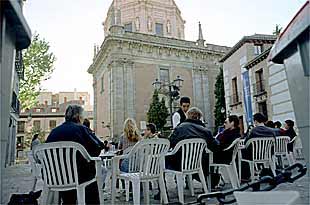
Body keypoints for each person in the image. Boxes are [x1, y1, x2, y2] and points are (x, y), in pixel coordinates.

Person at [45, 105, 104, 205]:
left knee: (68, 173)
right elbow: (97, 148)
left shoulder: (53, 132)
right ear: (78, 117)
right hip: (79, 177)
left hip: (55, 177)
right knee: (90, 172)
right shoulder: (81, 129)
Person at [242, 113, 276, 181]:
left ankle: (245, 176)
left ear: (255, 121)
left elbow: (246, 143)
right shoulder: (271, 131)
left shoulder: (253, 131)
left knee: (241, 154)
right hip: (267, 155)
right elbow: (274, 144)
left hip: (253, 156)